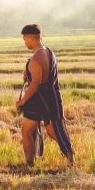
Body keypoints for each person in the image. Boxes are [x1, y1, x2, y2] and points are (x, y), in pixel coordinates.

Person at [15, 24, 76, 168]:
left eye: (25, 39)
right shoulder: (48, 52)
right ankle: (68, 155)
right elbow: (43, 77)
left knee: (35, 132)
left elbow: (36, 84)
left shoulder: (36, 57)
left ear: (30, 38)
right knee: (46, 131)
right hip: (51, 98)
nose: (25, 42)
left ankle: (30, 163)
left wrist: (22, 100)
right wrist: (29, 75)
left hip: (38, 100)